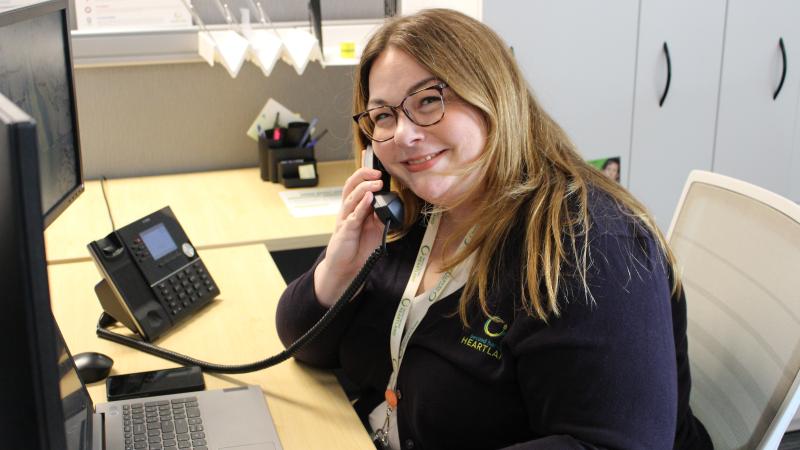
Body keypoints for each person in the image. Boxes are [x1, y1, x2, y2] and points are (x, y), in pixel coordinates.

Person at [276, 9, 712, 450]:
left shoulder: (590, 247)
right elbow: (304, 344)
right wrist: (339, 269)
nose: (404, 134)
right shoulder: (406, 213)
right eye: (383, 116)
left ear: (493, 97)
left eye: (428, 100)